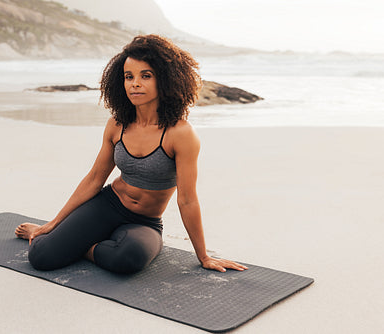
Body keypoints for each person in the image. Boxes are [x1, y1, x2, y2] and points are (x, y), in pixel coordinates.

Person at [15, 34, 248, 274]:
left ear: (166, 80)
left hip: (144, 222)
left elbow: (187, 199)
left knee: (129, 258)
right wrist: (54, 224)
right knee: (41, 256)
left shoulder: (180, 134)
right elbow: (95, 178)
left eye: (145, 75)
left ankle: (82, 246)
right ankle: (61, 236)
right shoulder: (117, 124)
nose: (134, 83)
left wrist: (204, 256)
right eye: (129, 77)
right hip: (108, 205)